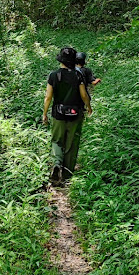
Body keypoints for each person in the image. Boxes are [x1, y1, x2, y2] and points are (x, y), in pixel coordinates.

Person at [43, 46, 92, 185]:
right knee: (71, 143)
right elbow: (83, 94)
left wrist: (45, 113)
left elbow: (48, 97)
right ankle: (66, 176)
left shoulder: (54, 75)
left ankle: (57, 163)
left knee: (57, 141)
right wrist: (89, 107)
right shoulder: (78, 75)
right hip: (75, 114)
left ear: (61, 60)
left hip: (58, 114)